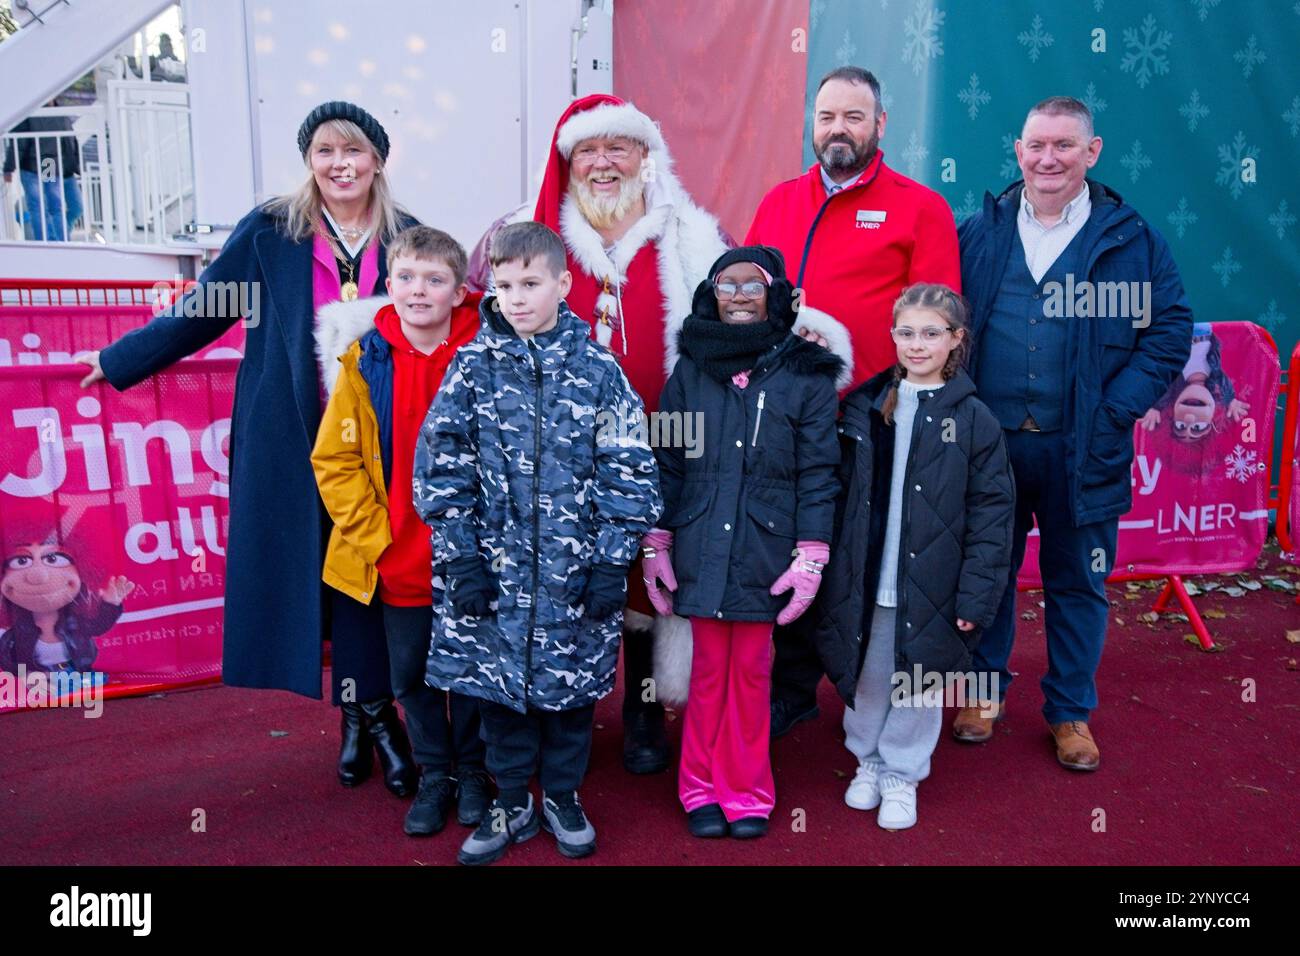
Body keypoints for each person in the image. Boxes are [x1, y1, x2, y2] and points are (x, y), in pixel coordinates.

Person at [469, 95, 850, 771]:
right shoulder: (529, 239)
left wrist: (811, 336)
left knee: (651, 581)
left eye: (620, 148)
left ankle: (644, 714)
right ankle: (567, 718)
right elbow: (477, 322)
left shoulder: (693, 237)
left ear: (648, 159)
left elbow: (747, 314)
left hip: (667, 446)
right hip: (560, 456)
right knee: (566, 576)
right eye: (588, 151)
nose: (604, 163)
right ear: (567, 165)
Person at [76, 101, 421, 794]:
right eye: (325, 151)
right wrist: (121, 361)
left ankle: (374, 716)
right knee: (313, 577)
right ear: (309, 161)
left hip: (380, 445)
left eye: (353, 151)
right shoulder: (273, 231)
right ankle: (360, 719)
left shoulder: (408, 235)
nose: (339, 164)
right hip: (290, 441)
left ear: (378, 160)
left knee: (367, 580)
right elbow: (206, 308)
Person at [955, 96, 1192, 770]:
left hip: (1084, 446)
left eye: (1064, 145)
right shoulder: (980, 230)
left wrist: (1117, 408)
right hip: (991, 445)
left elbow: (1169, 330)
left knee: (1079, 581)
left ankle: (1069, 712)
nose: (1047, 158)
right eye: (1035, 145)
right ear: (1018, 151)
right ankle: (981, 692)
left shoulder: (1131, 239)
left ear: (1092, 153)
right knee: (987, 574)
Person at [414, 221, 661, 865]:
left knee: (571, 695)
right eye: (503, 285)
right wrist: (462, 554)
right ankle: (510, 800)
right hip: (493, 576)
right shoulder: (471, 366)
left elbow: (629, 467)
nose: (516, 297)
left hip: (571, 577)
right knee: (498, 694)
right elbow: (441, 466)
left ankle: (561, 795)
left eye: (530, 283)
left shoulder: (600, 370)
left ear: (563, 282)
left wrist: (612, 561)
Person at [745, 66, 960, 738]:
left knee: (856, 559)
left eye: (854, 117)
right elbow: (747, 298)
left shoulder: (921, 207)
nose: (839, 129)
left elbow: (939, 318)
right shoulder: (779, 201)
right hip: (783, 417)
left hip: (874, 419)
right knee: (784, 547)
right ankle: (788, 689)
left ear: (881, 125)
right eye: (828, 116)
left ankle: (872, 706)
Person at [643, 246, 846, 839]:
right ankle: (699, 787)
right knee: (708, 672)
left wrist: (811, 554)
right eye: (725, 284)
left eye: (750, 285)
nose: (737, 295)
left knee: (753, 673)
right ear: (711, 293)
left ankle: (747, 789)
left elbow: (818, 472)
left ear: (775, 293)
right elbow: (668, 460)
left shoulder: (806, 373)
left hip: (766, 547)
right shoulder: (689, 370)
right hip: (700, 542)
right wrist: (656, 542)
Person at [802, 283, 1015, 830]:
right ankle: (867, 761)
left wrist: (975, 595)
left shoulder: (975, 422)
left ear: (955, 339)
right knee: (868, 676)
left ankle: (902, 772)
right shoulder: (867, 409)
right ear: (893, 336)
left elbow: (993, 518)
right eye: (906, 333)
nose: (917, 345)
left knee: (919, 680)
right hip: (870, 577)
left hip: (932, 583)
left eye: (930, 334)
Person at [311, 225, 490, 836]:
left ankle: (473, 772)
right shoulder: (365, 359)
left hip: (472, 553)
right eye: (407, 278)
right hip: (397, 553)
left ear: (459, 290)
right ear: (388, 286)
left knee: (470, 672)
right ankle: (434, 771)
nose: (419, 290)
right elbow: (334, 460)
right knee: (410, 674)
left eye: (436, 280)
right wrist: (375, 538)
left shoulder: (487, 352)